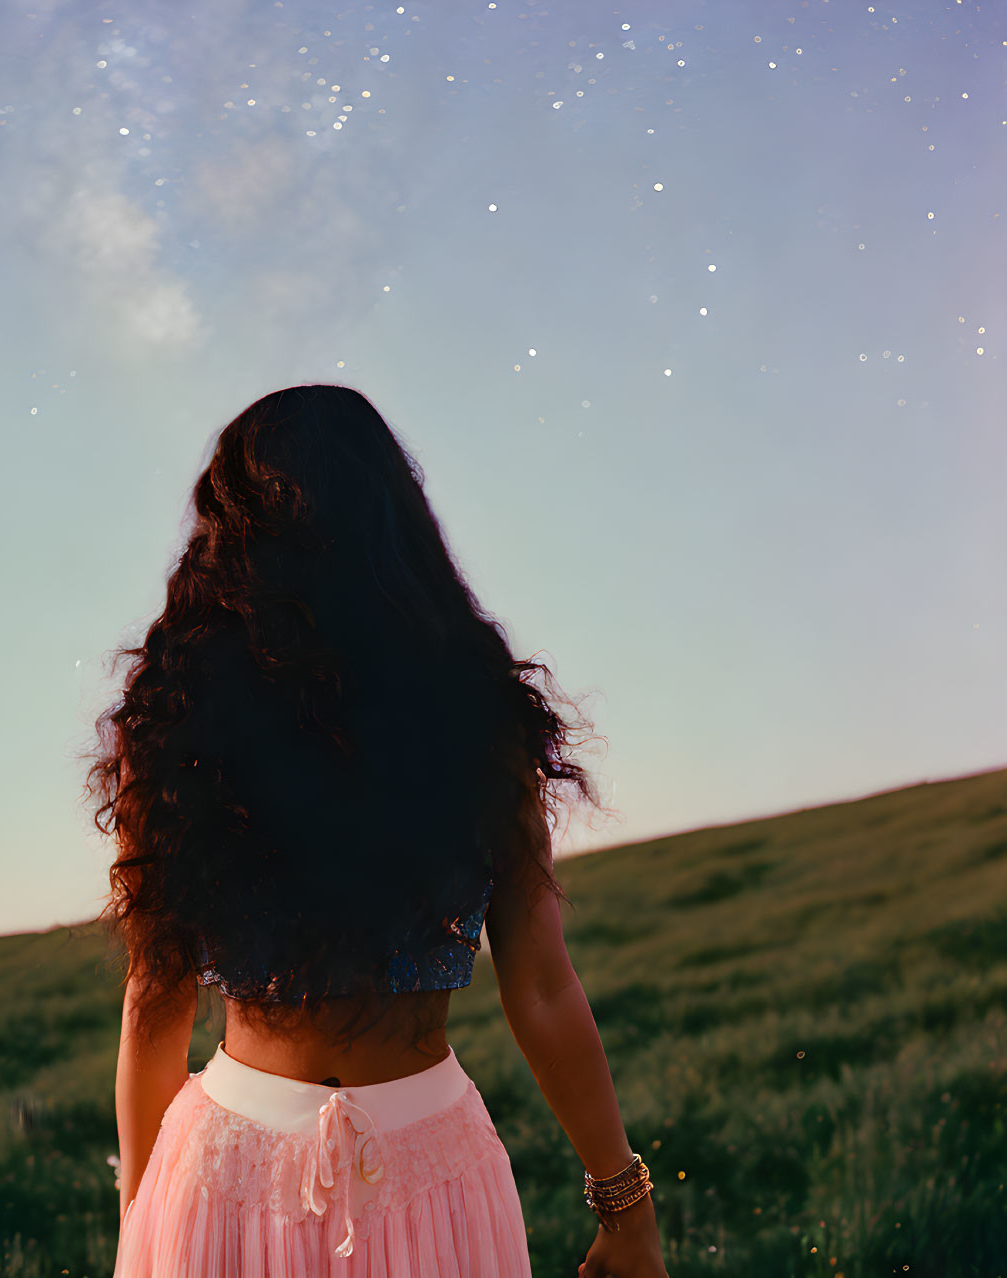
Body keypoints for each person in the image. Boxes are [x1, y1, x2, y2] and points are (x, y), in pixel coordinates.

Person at [81, 385, 670, 1277]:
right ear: (392, 516)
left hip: (420, 1180)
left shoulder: (473, 716)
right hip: (227, 1181)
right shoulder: (182, 722)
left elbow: (540, 981)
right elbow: (153, 991)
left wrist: (624, 1206)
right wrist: (140, 1223)